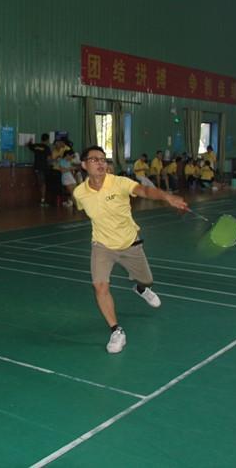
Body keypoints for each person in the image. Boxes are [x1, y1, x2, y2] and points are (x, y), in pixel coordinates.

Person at [73, 145, 188, 353]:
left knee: (147, 280)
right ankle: (116, 331)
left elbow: (144, 190)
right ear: (83, 165)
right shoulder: (79, 193)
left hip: (130, 244)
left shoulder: (119, 182)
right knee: (100, 287)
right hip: (102, 245)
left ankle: (142, 288)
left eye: (103, 159)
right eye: (94, 159)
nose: (100, 163)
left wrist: (167, 197)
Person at [28, 134, 52, 207]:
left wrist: (30, 141)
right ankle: (43, 200)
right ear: (47, 140)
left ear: (41, 139)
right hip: (44, 168)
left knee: (41, 183)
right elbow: (49, 159)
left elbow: (29, 145)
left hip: (37, 167)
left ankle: (42, 199)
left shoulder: (36, 146)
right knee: (43, 184)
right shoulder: (47, 148)